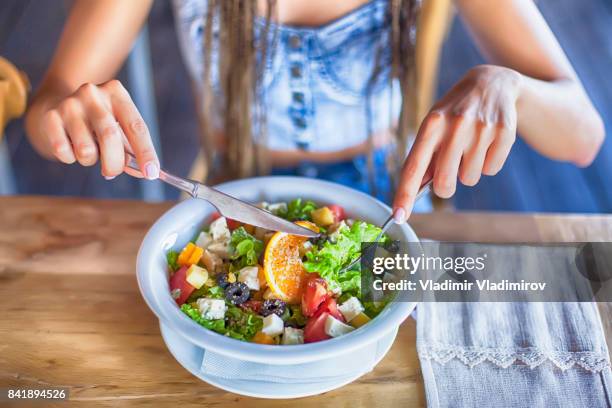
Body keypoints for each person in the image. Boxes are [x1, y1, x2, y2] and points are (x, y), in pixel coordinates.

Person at [25, 0, 604, 223]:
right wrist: (63, 117)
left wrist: (510, 87)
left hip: (392, 210)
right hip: (232, 198)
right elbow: (49, 102)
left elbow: (583, 135)